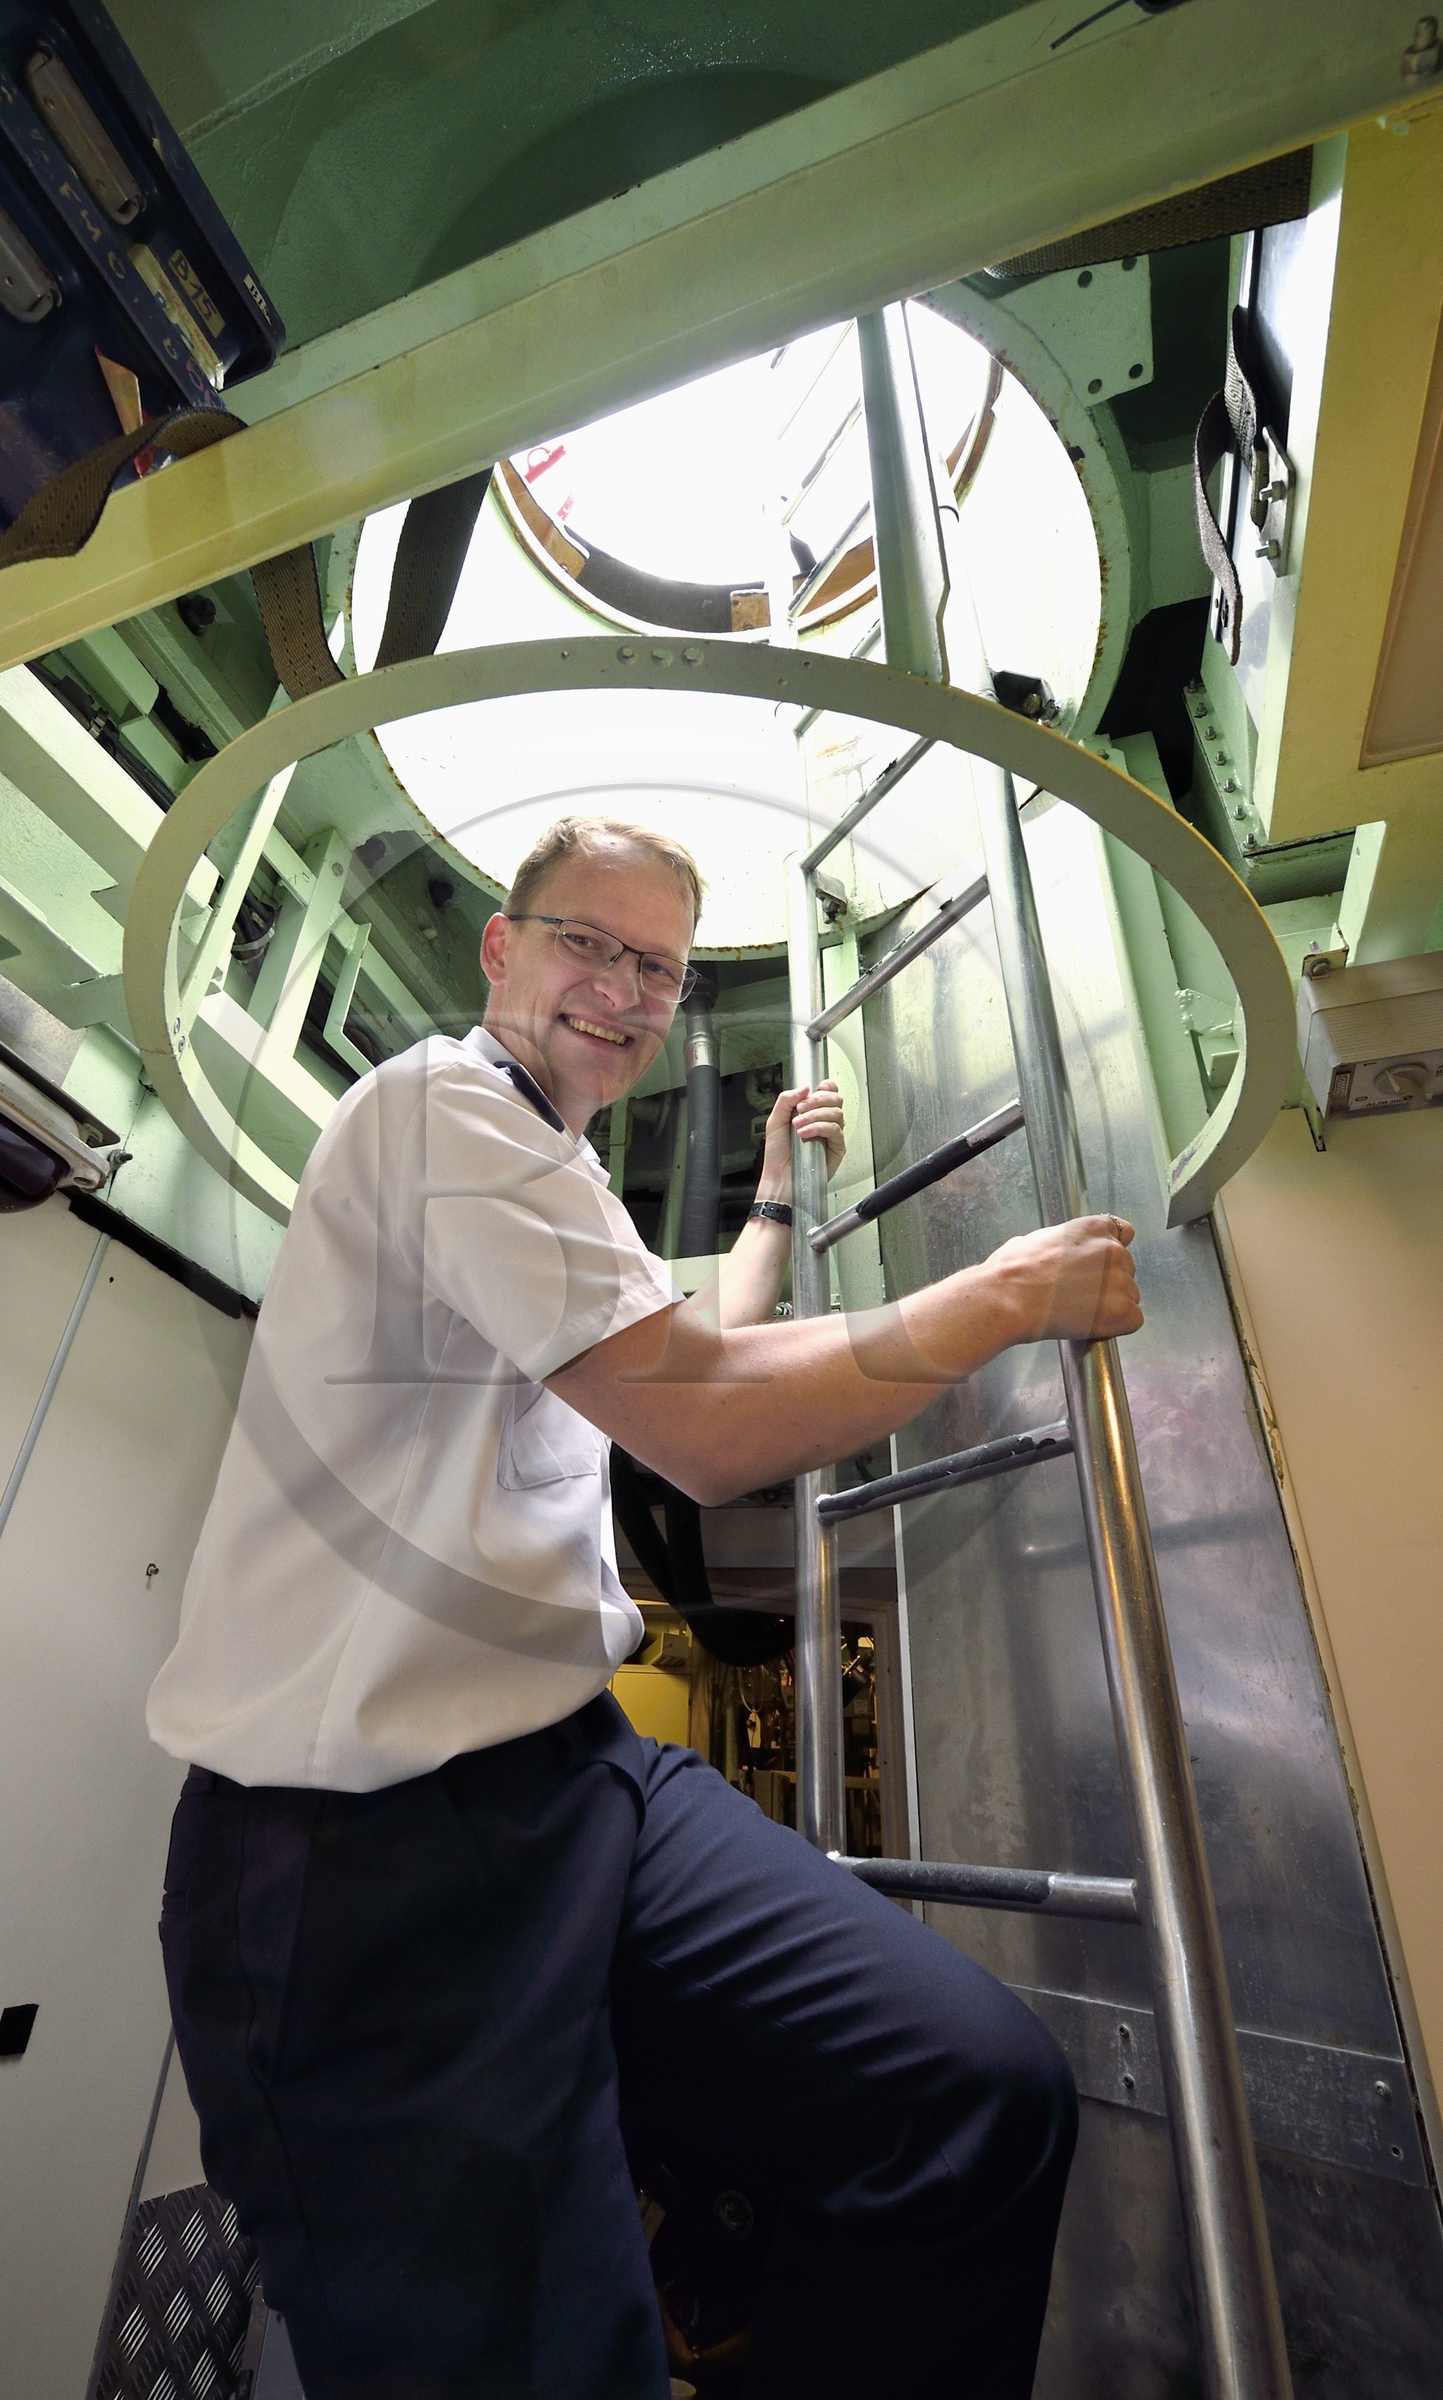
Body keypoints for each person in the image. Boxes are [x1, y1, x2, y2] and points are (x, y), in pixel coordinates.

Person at [150, 813, 1143, 2400]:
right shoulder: (436, 1111)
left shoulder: (553, 1170)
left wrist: (764, 1192)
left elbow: (692, 1333)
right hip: (355, 1859)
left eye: (657, 967)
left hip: (577, 1781)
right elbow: (698, 1413)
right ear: (500, 946)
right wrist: (1004, 1295)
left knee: (966, 2099)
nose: (619, 988)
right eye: (583, 943)